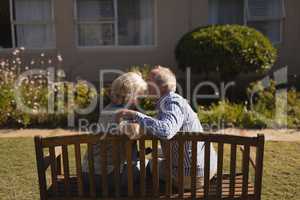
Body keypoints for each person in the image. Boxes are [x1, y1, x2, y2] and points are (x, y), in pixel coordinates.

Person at [117, 66, 218, 190]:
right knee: (156, 155)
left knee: (148, 164)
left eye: (149, 82)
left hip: (190, 177)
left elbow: (166, 131)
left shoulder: (172, 103)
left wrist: (136, 115)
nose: (145, 85)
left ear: (162, 87)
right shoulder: (173, 102)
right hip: (206, 168)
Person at [81, 72, 147, 196]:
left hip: (88, 174)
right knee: (149, 165)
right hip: (109, 178)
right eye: (139, 96)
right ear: (132, 96)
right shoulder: (123, 115)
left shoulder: (106, 110)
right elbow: (136, 132)